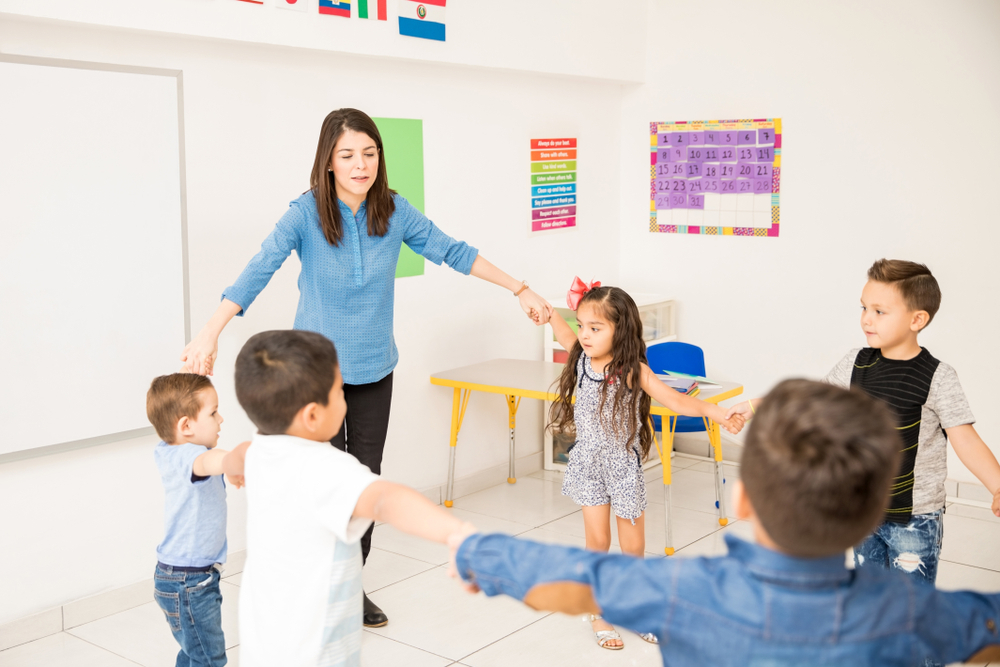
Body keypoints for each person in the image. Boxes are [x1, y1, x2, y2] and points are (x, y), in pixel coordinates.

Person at [179, 108, 551, 626]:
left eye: (369, 154)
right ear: (328, 162)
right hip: (313, 378)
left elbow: (452, 251)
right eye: (347, 155)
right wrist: (210, 330)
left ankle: (350, 586)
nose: (360, 165)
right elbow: (258, 268)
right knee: (325, 484)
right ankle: (322, 587)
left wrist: (520, 288)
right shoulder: (305, 214)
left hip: (376, 368)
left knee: (364, 480)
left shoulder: (394, 211)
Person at [448, 379, 1000, 666]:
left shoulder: (683, 592)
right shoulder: (907, 606)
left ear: (740, 501)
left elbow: (570, 576)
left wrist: (475, 553)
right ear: (872, 513)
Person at [727, 259, 1000, 588]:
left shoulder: (938, 377)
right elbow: (813, 401)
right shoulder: (856, 363)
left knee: (908, 603)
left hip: (914, 516)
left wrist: (997, 485)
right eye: (864, 308)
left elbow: (964, 439)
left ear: (917, 319)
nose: (866, 319)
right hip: (862, 507)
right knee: (866, 592)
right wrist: (751, 406)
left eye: (879, 311)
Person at [228, 330, 475, 667]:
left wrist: (232, 465)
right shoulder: (326, 468)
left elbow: (238, 455)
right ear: (313, 415)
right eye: (339, 391)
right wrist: (456, 533)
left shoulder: (259, 451)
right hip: (318, 651)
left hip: (262, 645)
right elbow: (386, 500)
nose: (346, 399)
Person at [546, 279, 743, 649]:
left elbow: (679, 402)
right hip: (589, 463)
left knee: (633, 548)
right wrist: (540, 307)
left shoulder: (632, 370)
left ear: (619, 331)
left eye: (596, 327)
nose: (585, 335)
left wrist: (719, 414)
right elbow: (560, 329)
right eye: (582, 326)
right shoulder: (581, 358)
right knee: (598, 542)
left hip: (622, 466)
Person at [146, 374, 249, 667]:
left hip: (184, 578)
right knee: (209, 658)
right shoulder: (187, 456)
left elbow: (209, 462)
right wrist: (234, 459)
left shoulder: (170, 452)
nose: (221, 419)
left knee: (194, 653)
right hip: (190, 582)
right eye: (213, 412)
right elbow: (208, 461)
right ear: (186, 426)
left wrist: (226, 465)